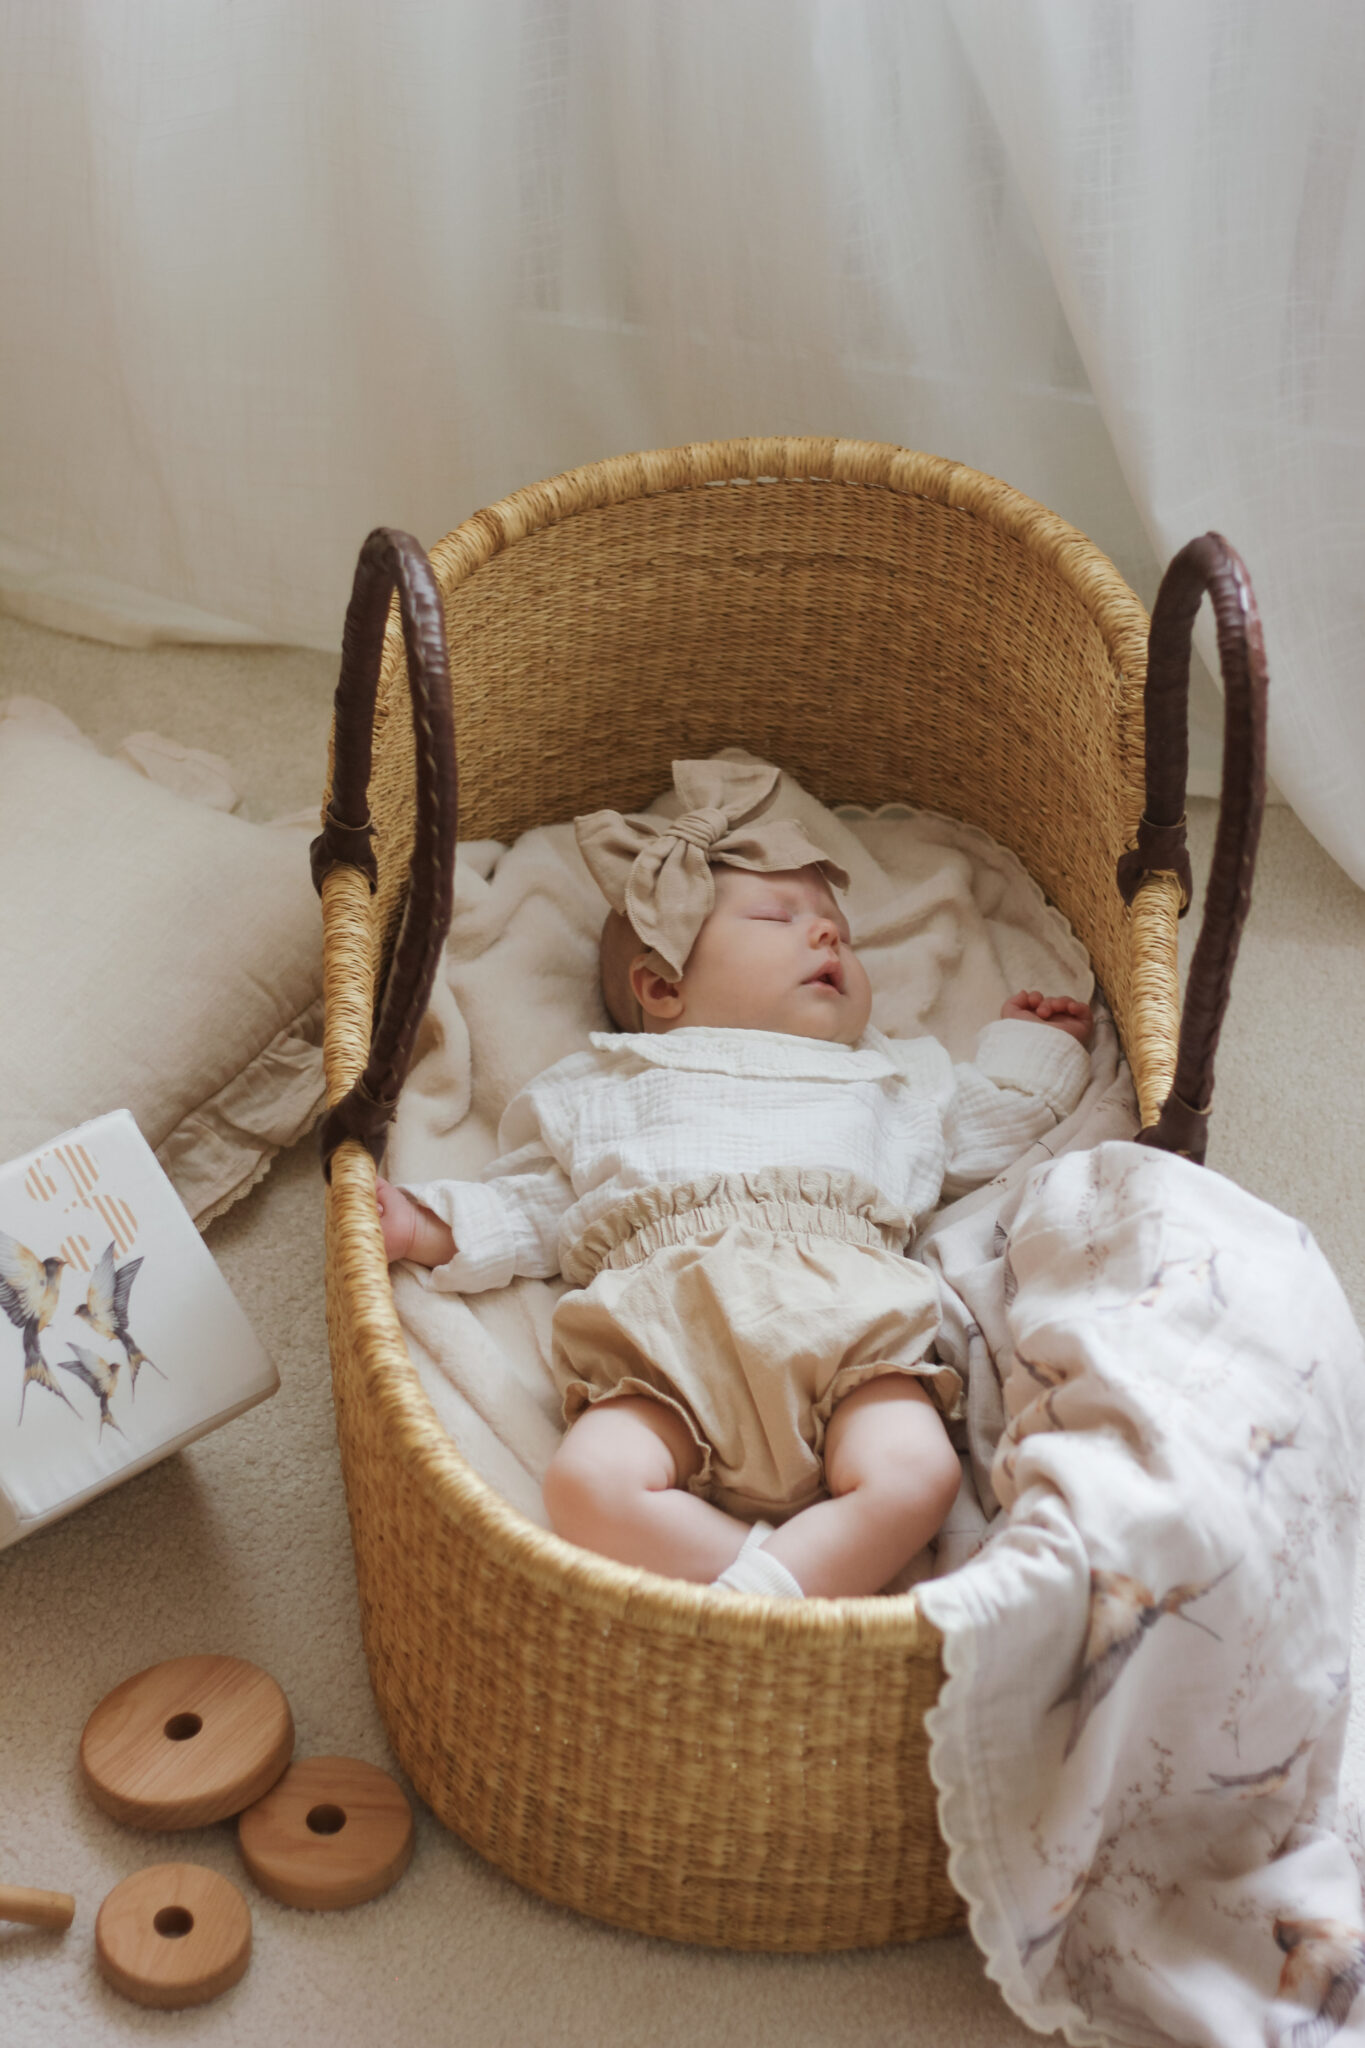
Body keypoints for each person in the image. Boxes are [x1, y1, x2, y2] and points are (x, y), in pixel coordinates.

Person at [377, 759, 1092, 1600]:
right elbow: (542, 1203)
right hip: (668, 1346)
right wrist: (427, 1225)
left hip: (850, 1333)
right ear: (662, 986)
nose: (827, 935)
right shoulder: (611, 1084)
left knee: (918, 1476)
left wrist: (1032, 1046)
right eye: (777, 915)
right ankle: (775, 1574)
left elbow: (989, 1122)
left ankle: (765, 1592)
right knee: (584, 1486)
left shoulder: (889, 1077)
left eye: (838, 931)